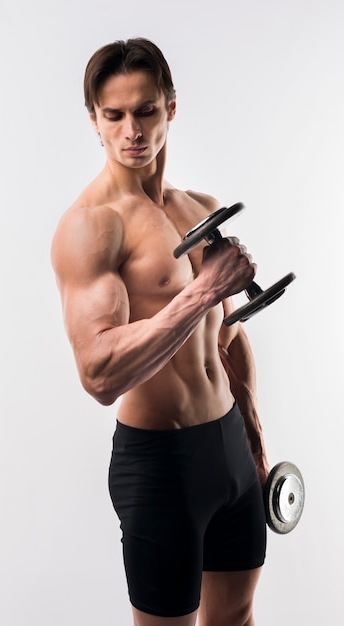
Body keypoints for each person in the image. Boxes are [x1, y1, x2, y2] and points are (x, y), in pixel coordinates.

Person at [51, 38, 270, 626]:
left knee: (238, 617)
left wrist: (251, 430)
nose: (132, 131)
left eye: (145, 111)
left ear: (170, 107)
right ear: (94, 120)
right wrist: (202, 290)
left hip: (228, 444)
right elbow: (98, 374)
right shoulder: (92, 227)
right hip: (161, 465)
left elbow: (229, 334)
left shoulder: (200, 207)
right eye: (114, 115)